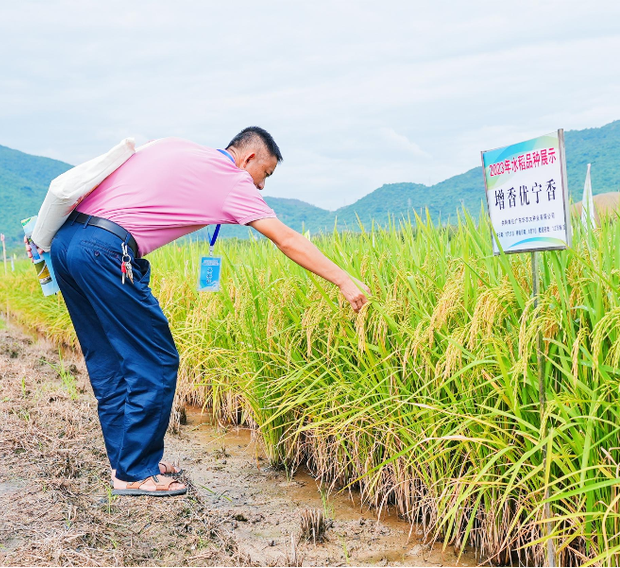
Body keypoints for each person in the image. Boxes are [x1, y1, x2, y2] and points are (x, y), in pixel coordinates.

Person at [27, 127, 369, 496]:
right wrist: (344, 280)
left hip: (64, 245)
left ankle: (127, 463)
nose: (261, 187)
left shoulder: (175, 146)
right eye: (265, 175)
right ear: (249, 158)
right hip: (106, 250)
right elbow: (286, 238)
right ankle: (135, 472)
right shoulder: (230, 180)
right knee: (155, 360)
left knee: (108, 360)